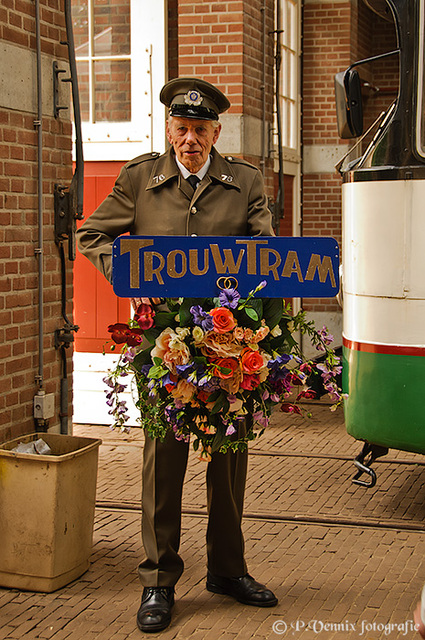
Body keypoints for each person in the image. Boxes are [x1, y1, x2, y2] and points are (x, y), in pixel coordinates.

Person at [76, 77, 277, 633]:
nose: (190, 139)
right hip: (163, 347)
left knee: (229, 456)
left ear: (216, 132)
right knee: (163, 460)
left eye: (201, 129)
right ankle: (159, 580)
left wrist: (250, 298)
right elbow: (92, 234)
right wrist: (130, 275)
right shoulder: (141, 179)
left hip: (226, 346)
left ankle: (228, 570)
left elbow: (268, 251)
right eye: (181, 129)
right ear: (169, 129)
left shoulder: (245, 181)